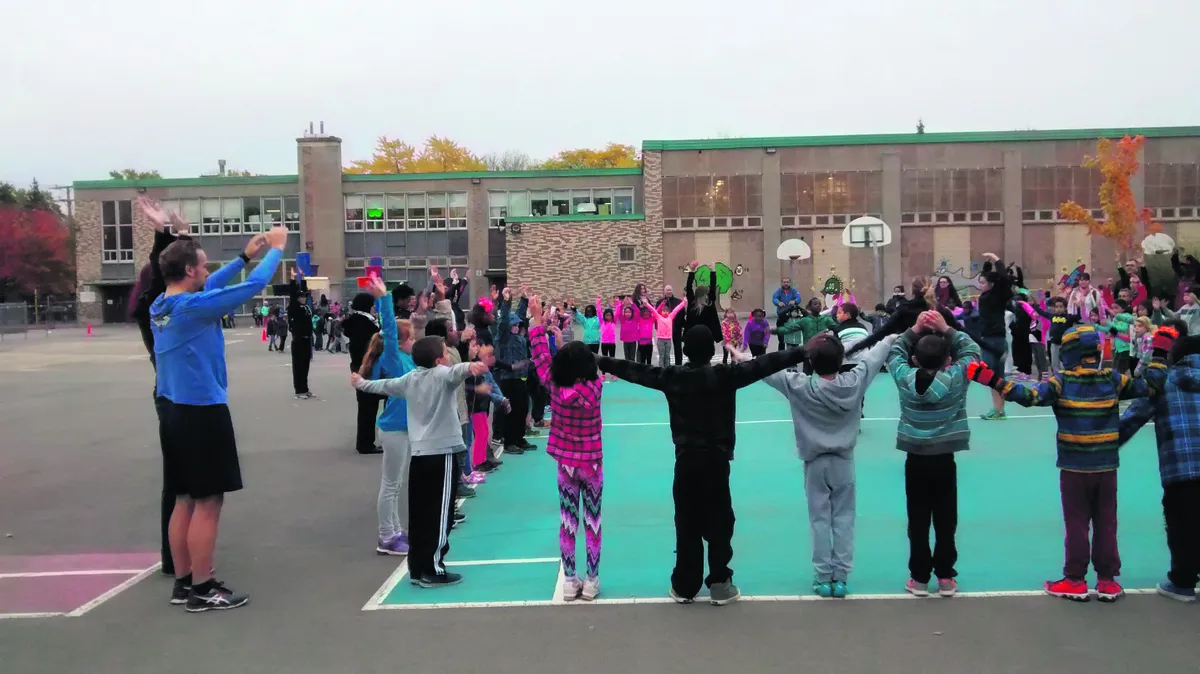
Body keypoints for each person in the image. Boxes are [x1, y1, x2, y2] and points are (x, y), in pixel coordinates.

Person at [597, 326, 807, 605]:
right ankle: (720, 582)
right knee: (720, 521)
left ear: (684, 351)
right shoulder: (725, 375)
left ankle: (685, 585)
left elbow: (633, 369)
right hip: (717, 461)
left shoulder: (671, 377)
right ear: (711, 351)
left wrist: (598, 359)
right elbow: (764, 363)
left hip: (686, 461)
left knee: (686, 523)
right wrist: (803, 350)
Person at [966, 324, 1161, 602]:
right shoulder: (1112, 378)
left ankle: (1075, 580)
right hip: (1106, 467)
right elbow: (1152, 385)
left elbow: (1029, 396)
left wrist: (992, 380)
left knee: (1077, 523)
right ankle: (1107, 581)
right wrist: (1161, 352)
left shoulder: (1062, 382)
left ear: (1068, 353)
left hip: (1073, 467)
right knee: (1107, 522)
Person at [152, 223, 287, 612]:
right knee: (208, 502)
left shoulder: (163, 304)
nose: (208, 271)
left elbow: (214, 288)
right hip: (201, 412)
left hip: (173, 410)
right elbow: (247, 290)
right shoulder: (193, 308)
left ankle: (182, 583)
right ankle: (203, 586)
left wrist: (244, 256)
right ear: (191, 271)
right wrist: (275, 251)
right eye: (204, 266)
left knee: (183, 499)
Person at [733, 330, 896, 597]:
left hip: (815, 463)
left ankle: (822, 577)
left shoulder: (798, 384)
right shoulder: (854, 382)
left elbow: (765, 370)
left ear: (810, 360)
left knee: (819, 519)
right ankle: (841, 577)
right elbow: (874, 358)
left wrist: (742, 357)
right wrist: (892, 336)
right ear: (841, 359)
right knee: (844, 518)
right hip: (844, 461)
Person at [352, 338, 489, 587]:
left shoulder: (410, 379)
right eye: (445, 354)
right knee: (440, 515)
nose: (448, 357)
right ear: (438, 360)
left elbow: (383, 385)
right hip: (443, 454)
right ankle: (433, 569)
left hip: (420, 455)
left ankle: (417, 568)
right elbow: (458, 371)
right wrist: (472, 367)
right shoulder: (442, 375)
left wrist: (361, 383)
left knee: (420, 513)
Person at [887, 310, 981, 598]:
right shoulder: (957, 376)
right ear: (948, 360)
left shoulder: (904, 377)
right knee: (945, 518)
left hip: (915, 458)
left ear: (914, 360)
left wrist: (914, 329)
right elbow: (973, 351)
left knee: (917, 519)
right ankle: (945, 577)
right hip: (944, 458)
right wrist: (947, 328)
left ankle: (918, 577)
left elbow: (894, 352)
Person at [527, 298, 606, 600]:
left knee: (568, 521)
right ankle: (593, 579)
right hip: (592, 464)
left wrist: (538, 324)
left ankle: (570, 579)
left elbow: (541, 360)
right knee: (593, 523)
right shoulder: (595, 387)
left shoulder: (556, 388)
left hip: (566, 464)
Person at [1117, 323, 1200, 602]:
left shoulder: (1164, 382)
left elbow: (1131, 421)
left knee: (1182, 523)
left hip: (1181, 467)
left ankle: (1183, 582)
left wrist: (1099, 443)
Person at [129, 197, 187, 577]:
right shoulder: (159, 311)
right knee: (181, 484)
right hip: (175, 399)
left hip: (177, 396)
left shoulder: (167, 308)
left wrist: (177, 233)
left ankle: (177, 553)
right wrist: (164, 234)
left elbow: (173, 270)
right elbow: (163, 271)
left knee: (183, 483)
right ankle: (175, 557)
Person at [357, 279, 416, 555]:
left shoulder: (409, 361)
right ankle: (386, 536)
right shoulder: (394, 360)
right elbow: (390, 331)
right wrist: (385, 298)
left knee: (396, 483)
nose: (413, 341)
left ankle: (395, 530)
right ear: (400, 342)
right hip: (393, 429)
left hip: (405, 428)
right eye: (411, 338)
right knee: (390, 484)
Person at [343, 292, 383, 455]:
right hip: (367, 367)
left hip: (359, 366)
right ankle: (366, 443)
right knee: (369, 406)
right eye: (372, 305)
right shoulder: (364, 323)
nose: (374, 308)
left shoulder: (355, 321)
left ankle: (365, 441)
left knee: (366, 406)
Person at [977, 253, 1015, 420]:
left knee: (992, 377)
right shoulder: (986, 295)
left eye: (983, 283)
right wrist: (986, 263)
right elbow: (989, 276)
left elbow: (1003, 279)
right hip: (990, 339)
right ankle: (999, 410)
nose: (980, 285)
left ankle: (997, 409)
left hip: (994, 341)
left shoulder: (996, 295)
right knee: (997, 377)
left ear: (991, 285)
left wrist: (996, 259)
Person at [287, 269, 315, 399]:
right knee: (298, 367)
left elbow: (305, 291)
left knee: (306, 366)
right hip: (298, 340)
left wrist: (303, 278)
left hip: (307, 339)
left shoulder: (306, 307)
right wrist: (293, 279)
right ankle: (299, 391)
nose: (304, 298)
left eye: (304, 296)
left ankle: (305, 388)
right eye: (301, 296)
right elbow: (293, 294)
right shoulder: (294, 307)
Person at [645, 297, 686, 367]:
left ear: (669, 312)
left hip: (668, 340)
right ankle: (661, 369)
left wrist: (684, 302)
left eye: (667, 310)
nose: (665, 312)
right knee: (662, 356)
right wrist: (646, 304)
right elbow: (652, 310)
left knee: (667, 356)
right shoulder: (658, 317)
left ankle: (667, 369)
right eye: (664, 310)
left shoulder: (670, 317)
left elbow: (676, 309)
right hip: (661, 340)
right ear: (661, 312)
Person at [656, 284, 685, 365]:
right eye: (667, 290)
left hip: (676, 328)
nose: (669, 291)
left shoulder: (678, 301)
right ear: (664, 292)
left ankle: (678, 365)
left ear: (672, 291)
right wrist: (657, 328)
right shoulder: (660, 302)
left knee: (678, 348)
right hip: (664, 331)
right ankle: (665, 366)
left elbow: (682, 314)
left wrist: (682, 326)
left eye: (670, 290)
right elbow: (656, 315)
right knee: (665, 350)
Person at [772, 278, 802, 351]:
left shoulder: (793, 291)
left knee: (791, 333)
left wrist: (794, 301)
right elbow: (774, 298)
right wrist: (778, 302)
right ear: (782, 283)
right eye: (784, 282)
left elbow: (799, 297)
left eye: (787, 282)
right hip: (781, 315)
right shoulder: (779, 291)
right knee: (781, 336)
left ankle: (792, 349)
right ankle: (781, 354)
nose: (786, 283)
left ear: (790, 283)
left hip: (791, 316)